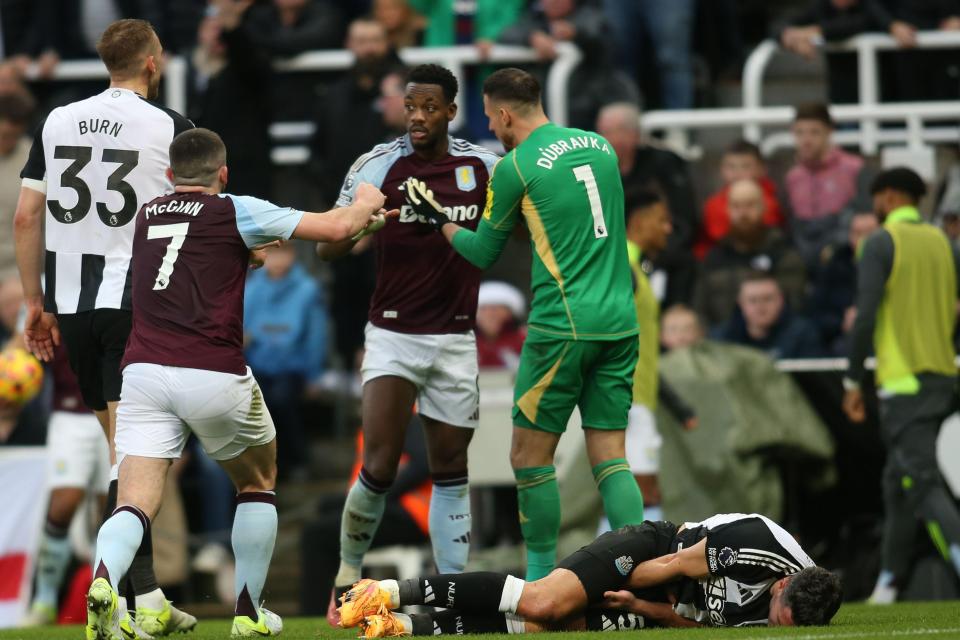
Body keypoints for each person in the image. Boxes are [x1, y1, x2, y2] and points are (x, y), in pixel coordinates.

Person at [85, 127, 391, 639]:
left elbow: (183, 265)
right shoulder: (234, 208)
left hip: (142, 374)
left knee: (134, 501)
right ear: (222, 174)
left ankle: (104, 582)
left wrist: (244, 256)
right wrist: (366, 199)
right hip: (211, 371)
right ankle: (249, 613)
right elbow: (338, 229)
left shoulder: (146, 216)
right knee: (256, 480)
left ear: (169, 175)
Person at [402, 67, 643, 580]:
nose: (491, 128)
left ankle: (538, 582)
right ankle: (641, 573)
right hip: (620, 321)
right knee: (611, 457)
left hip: (564, 326)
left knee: (529, 456)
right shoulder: (599, 146)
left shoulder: (517, 166)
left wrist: (439, 217)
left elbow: (482, 250)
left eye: (491, 118)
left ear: (506, 113)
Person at [14, 18, 196, 637]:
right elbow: (197, 214)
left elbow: (25, 215)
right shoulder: (172, 126)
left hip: (72, 306)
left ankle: (146, 601)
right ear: (152, 62)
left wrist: (36, 303)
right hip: (137, 305)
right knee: (142, 459)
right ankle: (116, 595)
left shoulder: (57, 120)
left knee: (126, 453)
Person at [316, 63, 499, 612]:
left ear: (450, 110)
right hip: (393, 333)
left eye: (427, 107)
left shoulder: (484, 165)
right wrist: (360, 227)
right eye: (410, 105)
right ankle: (346, 579)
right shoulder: (377, 165)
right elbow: (328, 245)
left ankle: (451, 599)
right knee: (378, 462)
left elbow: (509, 232)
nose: (416, 116)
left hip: (456, 337)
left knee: (450, 468)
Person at [338, 513, 842, 635]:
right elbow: (668, 565)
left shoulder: (793, 613)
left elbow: (704, 629)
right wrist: (607, 585)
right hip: (654, 550)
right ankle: (382, 591)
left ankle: (404, 627)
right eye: (778, 613)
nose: (772, 625)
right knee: (545, 603)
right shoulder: (758, 545)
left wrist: (640, 610)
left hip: (663, 602)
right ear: (782, 584)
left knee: (547, 626)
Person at [842, 167, 960, 604]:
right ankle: (888, 581)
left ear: (888, 196)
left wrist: (853, 379)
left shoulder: (880, 242)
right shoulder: (944, 243)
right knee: (898, 481)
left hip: (903, 381)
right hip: (943, 376)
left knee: (923, 482)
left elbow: (866, 316)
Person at [618, 189, 696, 527]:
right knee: (641, 492)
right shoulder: (622, 265)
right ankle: (627, 570)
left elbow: (643, 350)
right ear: (639, 221)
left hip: (638, 396)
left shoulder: (636, 267)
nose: (668, 229)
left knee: (636, 492)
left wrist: (676, 405)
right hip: (626, 398)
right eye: (662, 220)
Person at [21, 342, 109, 626]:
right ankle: (44, 600)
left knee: (111, 509)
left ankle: (105, 601)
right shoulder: (51, 300)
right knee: (64, 502)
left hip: (116, 409)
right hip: (70, 413)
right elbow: (24, 348)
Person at [595, 102, 698, 306]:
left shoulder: (665, 164)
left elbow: (685, 219)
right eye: (601, 132)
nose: (602, 139)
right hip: (612, 255)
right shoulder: (593, 171)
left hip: (662, 252)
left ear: (634, 135)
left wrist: (657, 251)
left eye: (611, 132)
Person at [244, 243, 327, 480]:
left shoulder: (307, 289)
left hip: (293, 367)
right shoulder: (252, 288)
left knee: (281, 401)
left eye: (282, 252)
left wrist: (314, 376)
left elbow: (316, 335)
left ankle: (296, 461)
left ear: (292, 255)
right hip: (256, 366)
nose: (277, 259)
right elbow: (241, 328)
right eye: (271, 253)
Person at [694, 179, 807, 329]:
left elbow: (795, 306)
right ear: (727, 210)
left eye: (750, 205)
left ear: (763, 208)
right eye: (736, 206)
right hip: (723, 343)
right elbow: (700, 309)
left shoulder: (783, 253)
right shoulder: (715, 257)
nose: (743, 213)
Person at [785, 103, 873, 268]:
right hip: (805, 258)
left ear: (829, 132)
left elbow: (866, 213)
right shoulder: (792, 177)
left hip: (844, 258)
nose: (806, 140)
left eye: (814, 132)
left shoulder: (854, 169)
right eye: (800, 133)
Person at [695, 139, 784, 260]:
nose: (738, 173)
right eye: (731, 167)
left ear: (762, 169)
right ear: (722, 169)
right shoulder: (713, 205)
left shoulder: (773, 202)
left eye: (746, 166)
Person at [809, 211, 878, 355]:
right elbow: (816, 314)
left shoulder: (895, 267)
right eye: (858, 233)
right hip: (841, 341)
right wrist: (842, 322)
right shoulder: (834, 267)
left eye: (870, 233)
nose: (864, 239)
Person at [714, 272, 823, 360]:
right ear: (740, 304)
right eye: (753, 300)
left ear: (781, 300)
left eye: (767, 299)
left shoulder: (803, 334)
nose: (760, 307)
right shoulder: (723, 339)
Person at [0, 92, 34, 281]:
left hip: (17, 272)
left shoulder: (33, 158)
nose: (7, 140)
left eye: (14, 135)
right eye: (4, 134)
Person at [475, 281, 527, 370]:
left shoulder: (526, 340)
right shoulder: (460, 342)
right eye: (483, 309)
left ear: (510, 313)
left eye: (495, 309)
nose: (489, 315)